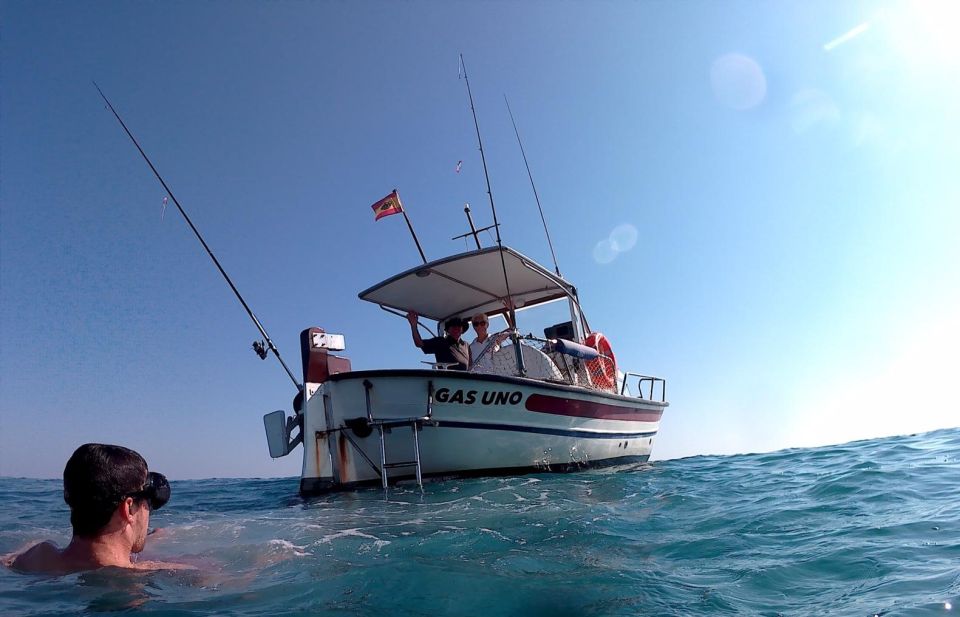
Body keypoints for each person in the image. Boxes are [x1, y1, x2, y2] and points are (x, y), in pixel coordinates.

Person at [2, 443, 193, 574]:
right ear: (129, 509)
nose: (148, 510)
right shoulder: (160, 572)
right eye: (147, 502)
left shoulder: (39, 555)